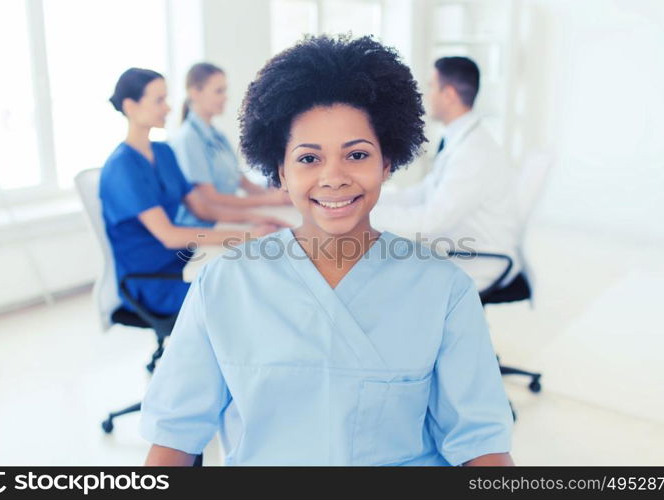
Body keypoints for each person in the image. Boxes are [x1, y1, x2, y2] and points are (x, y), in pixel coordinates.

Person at [140, 36, 514, 466]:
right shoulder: (223, 285)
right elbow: (174, 437)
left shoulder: (444, 291)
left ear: (387, 163)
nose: (334, 178)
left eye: (356, 154)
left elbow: (482, 444)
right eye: (308, 159)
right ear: (279, 170)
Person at [100, 68, 285, 316]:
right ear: (130, 106)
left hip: (183, 259)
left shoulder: (163, 153)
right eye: (159, 101)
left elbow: (202, 208)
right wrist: (250, 235)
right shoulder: (122, 167)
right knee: (244, 297)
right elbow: (168, 235)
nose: (168, 108)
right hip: (155, 281)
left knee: (252, 275)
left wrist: (254, 219)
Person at [371, 56, 522, 292]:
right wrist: (365, 201)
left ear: (449, 94)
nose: (426, 95)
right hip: (460, 247)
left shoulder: (473, 152)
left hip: (480, 259)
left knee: (377, 275)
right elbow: (420, 195)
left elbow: (431, 222)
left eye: (431, 87)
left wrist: (365, 217)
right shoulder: (460, 140)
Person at [171, 62, 291, 228]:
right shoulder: (188, 139)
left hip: (226, 220)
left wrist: (277, 196)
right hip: (203, 230)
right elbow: (209, 198)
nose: (225, 97)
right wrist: (268, 199)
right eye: (219, 91)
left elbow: (240, 180)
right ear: (194, 93)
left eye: (225, 90)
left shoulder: (217, 135)